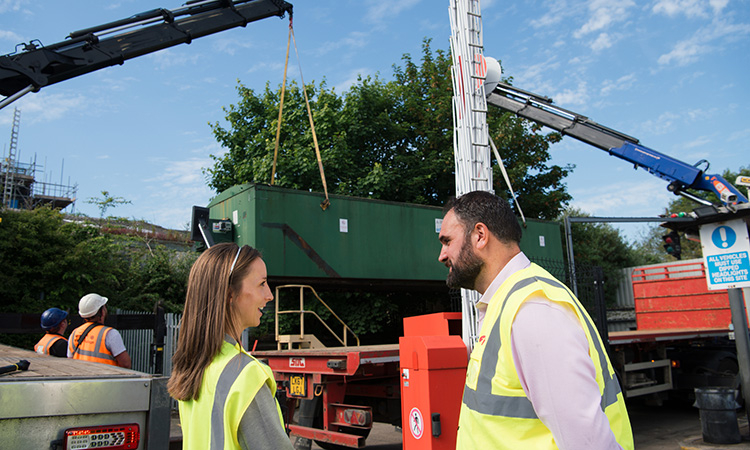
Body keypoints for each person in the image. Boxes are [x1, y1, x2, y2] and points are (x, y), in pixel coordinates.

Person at [437, 191, 633, 450]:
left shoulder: (532, 310)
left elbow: (589, 443)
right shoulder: (510, 302)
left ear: (480, 236)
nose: (442, 255)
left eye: (447, 241)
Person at [168, 243, 293, 450]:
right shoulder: (247, 375)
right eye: (262, 284)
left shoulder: (190, 370)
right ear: (229, 294)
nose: (269, 295)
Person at [67, 293, 132, 369]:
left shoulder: (74, 333)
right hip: (106, 379)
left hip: (81, 379)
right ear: (102, 312)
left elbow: (70, 361)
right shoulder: (110, 334)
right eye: (104, 307)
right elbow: (126, 364)